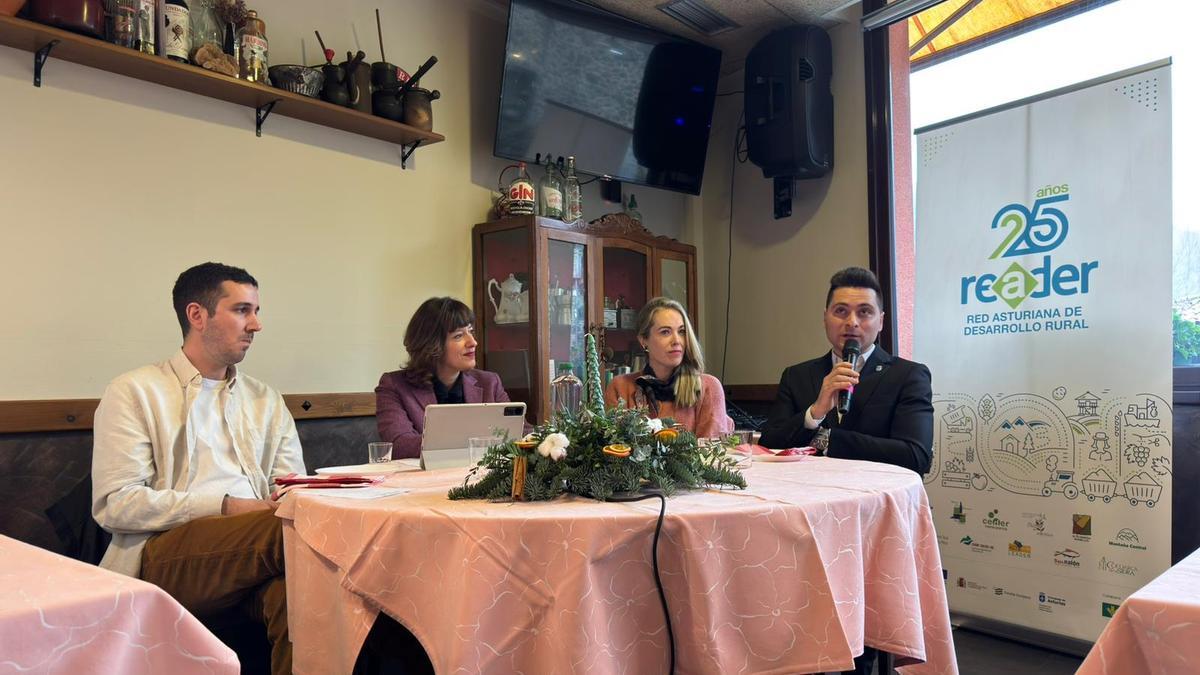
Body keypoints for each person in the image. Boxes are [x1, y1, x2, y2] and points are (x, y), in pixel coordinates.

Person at [92, 262, 304, 675]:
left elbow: (291, 484)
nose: (256, 324)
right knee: (299, 526)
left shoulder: (265, 398)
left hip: (258, 544)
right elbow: (115, 505)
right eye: (243, 310)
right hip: (164, 551)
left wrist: (289, 499)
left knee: (300, 597)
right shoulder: (135, 391)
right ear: (197, 315)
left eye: (256, 311)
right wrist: (227, 507)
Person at [759, 266, 933, 475]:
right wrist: (814, 413)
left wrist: (828, 439)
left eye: (864, 312)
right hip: (809, 497)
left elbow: (916, 456)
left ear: (881, 321)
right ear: (825, 318)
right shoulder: (796, 376)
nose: (852, 322)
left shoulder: (908, 375)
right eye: (841, 311)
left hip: (876, 500)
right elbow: (769, 444)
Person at [376, 297, 519, 458]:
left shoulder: (490, 383)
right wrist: (476, 443)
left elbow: (521, 433)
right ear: (432, 344)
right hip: (426, 480)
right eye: (458, 336)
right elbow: (399, 445)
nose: (473, 342)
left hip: (483, 479)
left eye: (470, 331)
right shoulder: (394, 386)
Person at [605, 297, 733, 437]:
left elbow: (711, 455)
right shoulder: (620, 387)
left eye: (682, 331)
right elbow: (614, 449)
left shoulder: (708, 387)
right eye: (665, 332)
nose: (677, 341)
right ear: (643, 341)